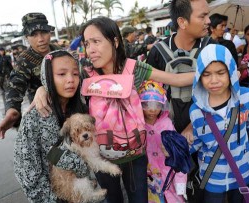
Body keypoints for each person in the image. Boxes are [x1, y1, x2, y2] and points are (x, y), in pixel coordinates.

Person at [33, 16, 195, 203]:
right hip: (100, 157)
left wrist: (214, 70)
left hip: (135, 156)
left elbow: (175, 79)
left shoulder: (134, 68)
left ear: (115, 41)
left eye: (96, 41)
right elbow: (62, 80)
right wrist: (42, 89)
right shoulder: (86, 73)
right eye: (87, 43)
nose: (91, 49)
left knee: (139, 199)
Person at [190, 44, 249, 203]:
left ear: (232, 72)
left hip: (242, 173)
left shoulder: (247, 97)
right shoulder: (196, 110)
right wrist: (179, 149)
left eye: (221, 72)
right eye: (206, 74)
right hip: (212, 177)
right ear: (199, 76)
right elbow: (199, 141)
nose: (214, 80)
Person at [14, 50, 89, 202]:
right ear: (47, 77)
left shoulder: (82, 109)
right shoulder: (34, 117)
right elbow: (27, 171)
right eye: (61, 74)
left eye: (75, 74)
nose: (71, 80)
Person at [146, 0, 214, 142]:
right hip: (166, 135)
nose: (208, 21)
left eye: (208, 15)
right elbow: (149, 95)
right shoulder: (158, 52)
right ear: (182, 22)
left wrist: (192, 125)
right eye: (202, 17)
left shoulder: (212, 48)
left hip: (205, 131)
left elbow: (220, 95)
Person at [0, 12, 60, 139]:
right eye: (34, 35)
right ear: (26, 37)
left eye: (44, 33)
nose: (41, 39)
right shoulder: (24, 60)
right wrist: (12, 110)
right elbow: (15, 86)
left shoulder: (58, 51)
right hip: (45, 115)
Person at [138, 80, 187, 203]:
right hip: (149, 173)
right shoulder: (138, 125)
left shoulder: (167, 123)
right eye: (147, 104)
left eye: (157, 105)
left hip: (169, 172)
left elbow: (179, 153)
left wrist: (181, 182)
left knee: (174, 197)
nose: (152, 110)